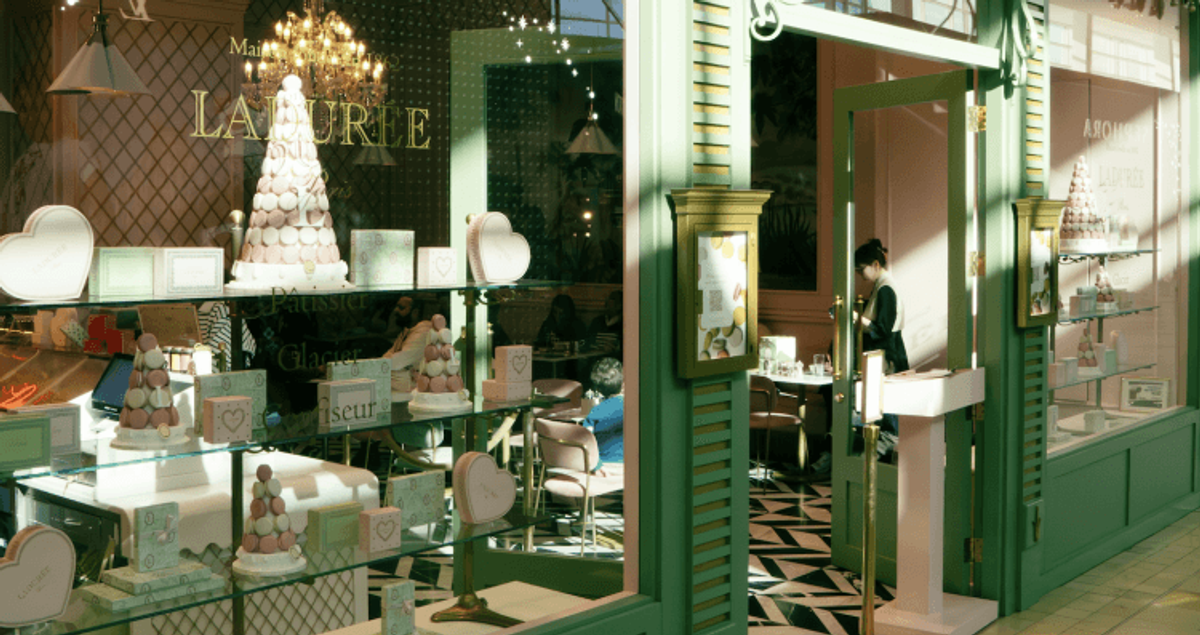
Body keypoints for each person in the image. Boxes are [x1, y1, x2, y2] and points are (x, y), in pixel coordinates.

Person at [811, 239, 908, 474]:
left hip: (887, 360)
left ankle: (856, 465)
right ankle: (849, 462)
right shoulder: (882, 286)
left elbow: (882, 330)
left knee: (881, 417)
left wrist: (856, 320)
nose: (859, 274)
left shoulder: (886, 289)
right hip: (883, 358)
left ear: (875, 264)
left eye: (860, 269)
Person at [582, 357, 624, 472]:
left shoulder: (595, 412)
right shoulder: (637, 408)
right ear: (623, 383)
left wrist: (597, 466)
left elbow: (586, 442)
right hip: (633, 467)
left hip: (604, 467)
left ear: (597, 388)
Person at [587, 290, 623, 354]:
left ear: (620, 305)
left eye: (612, 299)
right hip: (594, 358)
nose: (608, 301)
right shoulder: (597, 321)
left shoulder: (624, 323)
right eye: (609, 298)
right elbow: (587, 342)